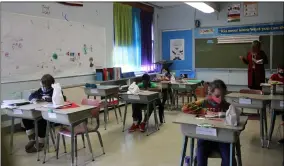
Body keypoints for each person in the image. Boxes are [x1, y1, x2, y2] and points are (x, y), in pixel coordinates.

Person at [194, 79, 237, 166]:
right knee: (200, 157)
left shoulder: (227, 106)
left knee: (228, 160)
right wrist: (204, 111)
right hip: (205, 137)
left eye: (222, 96)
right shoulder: (204, 102)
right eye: (217, 96)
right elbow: (185, 107)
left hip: (222, 139)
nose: (220, 99)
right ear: (211, 94)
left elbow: (235, 121)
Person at [23, 74, 66, 153]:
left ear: (51, 85)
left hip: (51, 114)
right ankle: (32, 139)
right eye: (42, 86)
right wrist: (35, 98)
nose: (44, 88)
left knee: (42, 120)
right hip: (40, 112)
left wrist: (50, 99)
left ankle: (41, 142)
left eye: (45, 87)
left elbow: (63, 99)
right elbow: (31, 96)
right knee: (26, 118)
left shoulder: (55, 90)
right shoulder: (40, 90)